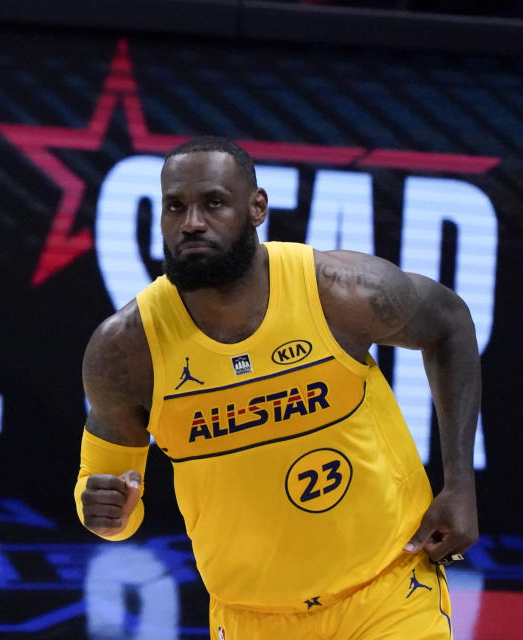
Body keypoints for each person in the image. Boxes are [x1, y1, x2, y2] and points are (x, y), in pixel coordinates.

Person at [74, 136, 479, 638]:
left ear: (257, 207)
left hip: (389, 590)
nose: (191, 223)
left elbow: (450, 322)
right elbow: (107, 498)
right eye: (175, 207)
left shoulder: (338, 291)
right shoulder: (126, 349)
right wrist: (104, 513)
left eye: (213, 203)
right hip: (252, 617)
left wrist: (460, 484)